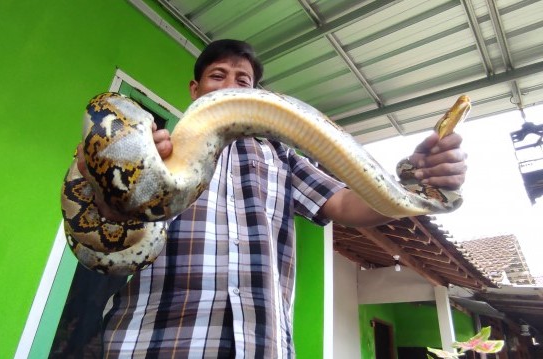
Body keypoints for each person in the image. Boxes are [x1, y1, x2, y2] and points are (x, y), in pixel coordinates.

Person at [77, 39, 467, 358]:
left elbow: (349, 205)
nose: (230, 85)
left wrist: (415, 178)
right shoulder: (154, 149)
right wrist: (103, 180)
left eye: (243, 81)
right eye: (218, 76)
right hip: (157, 342)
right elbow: (112, 237)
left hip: (261, 343)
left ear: (256, 95)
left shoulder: (281, 158)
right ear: (195, 90)